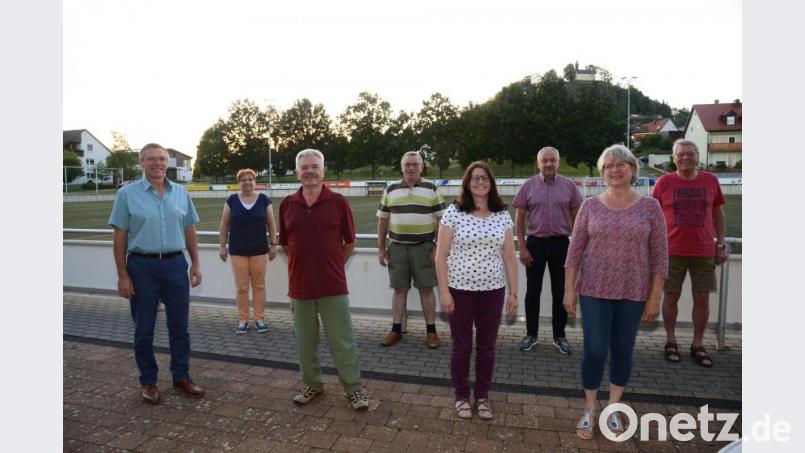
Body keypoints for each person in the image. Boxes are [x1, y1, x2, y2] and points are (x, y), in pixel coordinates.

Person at [563, 145, 667, 439]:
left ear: (633, 169)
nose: (615, 170)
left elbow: (660, 257)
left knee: (622, 350)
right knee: (595, 350)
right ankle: (590, 408)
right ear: (602, 173)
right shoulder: (590, 206)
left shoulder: (650, 208)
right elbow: (574, 252)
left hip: (634, 293)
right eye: (608, 166)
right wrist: (569, 291)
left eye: (621, 164)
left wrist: (655, 297)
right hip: (594, 289)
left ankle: (612, 409)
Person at [108, 143, 205, 404]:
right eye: (151, 159)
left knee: (180, 328)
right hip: (141, 267)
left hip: (175, 265)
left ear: (167, 162)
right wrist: (122, 275)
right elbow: (119, 237)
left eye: (162, 158)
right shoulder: (127, 195)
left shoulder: (181, 193)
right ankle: (148, 381)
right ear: (141, 163)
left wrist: (195, 263)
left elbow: (189, 231)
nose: (157, 163)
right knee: (144, 329)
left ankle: (181, 376)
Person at [278, 149, 368, 411]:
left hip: (333, 285)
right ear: (297, 173)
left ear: (323, 170)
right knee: (306, 341)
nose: (309, 171)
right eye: (304, 167)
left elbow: (349, 242)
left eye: (314, 166)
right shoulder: (287, 204)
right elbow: (284, 243)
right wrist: (304, 264)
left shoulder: (338, 202)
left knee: (342, 340)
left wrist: (331, 265)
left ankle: (354, 389)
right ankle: (313, 384)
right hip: (300, 286)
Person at [435, 161, 518, 421]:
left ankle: (482, 396)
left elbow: (509, 256)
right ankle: (461, 396)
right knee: (462, 347)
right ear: (467, 183)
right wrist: (445, 293)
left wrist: (514, 293)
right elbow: (440, 257)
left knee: (487, 348)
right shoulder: (454, 212)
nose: (480, 182)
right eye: (475, 178)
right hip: (459, 291)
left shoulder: (502, 214)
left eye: (484, 178)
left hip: (492, 292)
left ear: (491, 183)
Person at [651, 139, 727, 367]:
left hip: (703, 250)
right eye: (681, 154)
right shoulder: (664, 182)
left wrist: (720, 243)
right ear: (674, 158)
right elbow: (652, 217)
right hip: (671, 251)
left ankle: (697, 344)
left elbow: (718, 214)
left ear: (697, 156)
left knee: (702, 298)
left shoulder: (710, 180)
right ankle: (671, 340)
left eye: (690, 154)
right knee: (671, 296)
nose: (685, 158)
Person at [513, 146, 583, 354]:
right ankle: (531, 334)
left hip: (561, 244)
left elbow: (578, 219)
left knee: (560, 291)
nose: (549, 164)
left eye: (552, 160)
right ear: (538, 163)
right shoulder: (528, 186)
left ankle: (559, 336)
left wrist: (576, 248)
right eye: (545, 161)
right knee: (533, 292)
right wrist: (523, 247)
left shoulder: (570, 186)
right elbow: (519, 219)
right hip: (534, 244)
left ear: (558, 163)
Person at [377, 151, 447, 348]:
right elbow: (383, 220)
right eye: (407, 164)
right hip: (397, 248)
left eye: (415, 164)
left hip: (424, 248)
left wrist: (437, 247)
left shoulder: (431, 188)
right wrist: (381, 247)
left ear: (421, 167)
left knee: (426, 288)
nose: (411, 168)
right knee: (399, 290)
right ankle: (396, 329)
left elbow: (442, 220)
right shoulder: (390, 189)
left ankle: (431, 332)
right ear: (402, 167)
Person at [218, 168, 278, 334]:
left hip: (259, 249)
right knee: (242, 287)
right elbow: (224, 224)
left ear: (255, 182)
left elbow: (272, 224)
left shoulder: (264, 200)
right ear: (239, 183)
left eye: (250, 179)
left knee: (259, 286)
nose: (247, 182)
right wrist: (222, 246)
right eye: (244, 180)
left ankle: (259, 319)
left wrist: (273, 244)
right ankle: (243, 319)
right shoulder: (232, 200)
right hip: (238, 250)